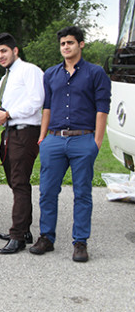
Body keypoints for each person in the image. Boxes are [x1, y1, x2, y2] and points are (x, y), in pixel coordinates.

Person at [30, 26, 111, 263]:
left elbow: (102, 109)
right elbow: (47, 107)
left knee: (83, 193)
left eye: (70, 43)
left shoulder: (96, 73)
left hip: (83, 139)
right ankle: (46, 237)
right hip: (54, 140)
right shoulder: (51, 74)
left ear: (81, 44)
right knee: (47, 191)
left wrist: (96, 142)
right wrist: (43, 137)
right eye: (63, 44)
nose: (66, 47)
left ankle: (80, 242)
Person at [0, 33, 45, 254]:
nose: (0, 56)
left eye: (3, 51)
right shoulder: (6, 78)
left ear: (15, 50)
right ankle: (25, 230)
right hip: (9, 133)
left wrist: (9, 113)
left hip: (26, 132)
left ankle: (18, 236)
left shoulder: (29, 71)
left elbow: (36, 101)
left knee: (20, 182)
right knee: (15, 182)